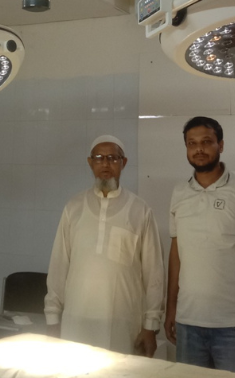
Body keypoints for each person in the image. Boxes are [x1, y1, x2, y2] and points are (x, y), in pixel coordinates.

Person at [165, 116, 235, 375]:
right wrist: (171, 308)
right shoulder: (179, 192)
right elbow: (176, 254)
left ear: (221, 145)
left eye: (207, 142)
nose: (199, 149)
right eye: (192, 143)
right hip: (188, 323)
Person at [44, 135, 165, 357]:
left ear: (123, 163)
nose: (106, 164)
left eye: (113, 158)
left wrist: (151, 325)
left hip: (123, 323)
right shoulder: (73, 208)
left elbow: (154, 273)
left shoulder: (140, 210)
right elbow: (59, 265)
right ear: (90, 163)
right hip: (76, 320)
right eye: (99, 158)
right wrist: (52, 318)